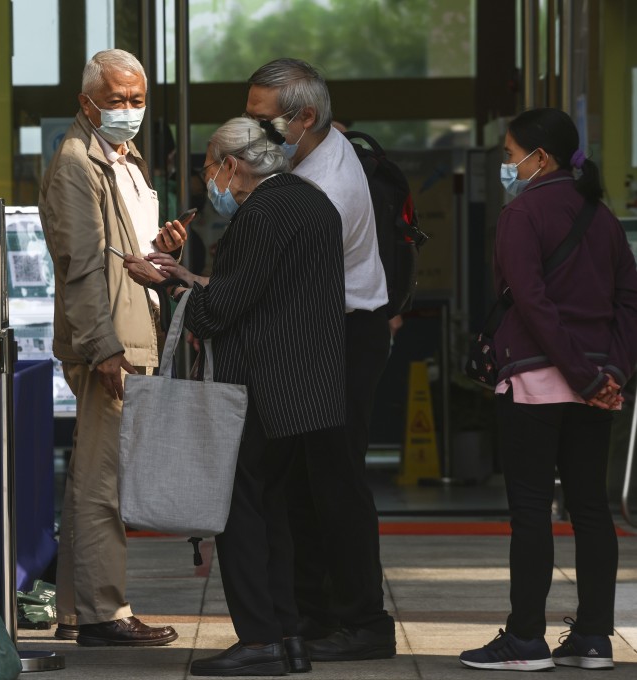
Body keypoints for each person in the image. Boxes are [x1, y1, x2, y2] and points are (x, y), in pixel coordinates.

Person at [125, 115, 345, 676]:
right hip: (305, 388)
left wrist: (168, 286)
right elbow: (267, 292)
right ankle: (289, 634)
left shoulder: (260, 214)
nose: (209, 183)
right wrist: (191, 276)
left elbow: (224, 309)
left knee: (241, 511)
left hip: (259, 387)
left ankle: (259, 639)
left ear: (232, 164)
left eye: (208, 168)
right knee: (277, 512)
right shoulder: (312, 202)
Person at [459, 108, 637, 672]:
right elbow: (630, 301)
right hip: (595, 387)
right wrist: (610, 374)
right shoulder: (602, 217)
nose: (509, 165)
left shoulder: (522, 214)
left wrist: (585, 376)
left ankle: (526, 639)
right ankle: (591, 639)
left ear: (542, 157)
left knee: (531, 511)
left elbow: (531, 303)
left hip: (536, 382)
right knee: (591, 509)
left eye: (512, 155)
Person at [244, 57, 396, 660]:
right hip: (322, 328)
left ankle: (363, 622)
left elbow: (281, 284)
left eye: (263, 120)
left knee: (335, 483)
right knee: (304, 483)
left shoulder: (325, 187)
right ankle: (314, 613)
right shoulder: (309, 154)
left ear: (304, 117)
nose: (254, 132)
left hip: (343, 333)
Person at [38, 48, 189, 648]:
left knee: (93, 475)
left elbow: (120, 251)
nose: (129, 110)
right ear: (86, 102)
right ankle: (106, 613)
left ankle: (81, 610)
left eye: (136, 100)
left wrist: (163, 243)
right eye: (116, 100)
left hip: (131, 329)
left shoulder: (122, 158)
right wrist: (102, 347)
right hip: (111, 341)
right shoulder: (77, 163)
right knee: (105, 480)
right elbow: (78, 265)